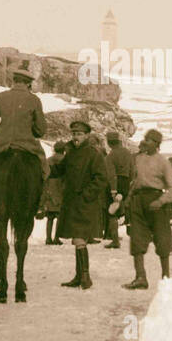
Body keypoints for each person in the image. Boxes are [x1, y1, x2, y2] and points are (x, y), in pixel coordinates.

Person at [0, 67, 47, 220]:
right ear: (28, 83)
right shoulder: (34, 100)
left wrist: (1, 129)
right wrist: (31, 130)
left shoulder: (0, 97)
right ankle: (40, 205)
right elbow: (41, 130)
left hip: (1, 145)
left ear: (13, 80)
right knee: (44, 170)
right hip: (28, 145)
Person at [49, 119, 109, 289]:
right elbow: (61, 170)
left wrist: (86, 195)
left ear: (87, 136)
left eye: (79, 134)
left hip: (85, 203)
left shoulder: (94, 154)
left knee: (79, 238)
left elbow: (101, 178)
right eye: (74, 134)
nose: (76, 137)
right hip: (72, 203)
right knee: (77, 240)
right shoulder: (71, 153)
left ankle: (85, 277)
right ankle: (79, 276)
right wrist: (46, 170)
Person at [122, 128, 172, 289]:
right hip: (138, 203)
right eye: (145, 139)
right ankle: (140, 278)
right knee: (137, 239)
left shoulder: (163, 161)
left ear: (156, 143)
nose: (145, 142)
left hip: (156, 203)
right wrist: (128, 199)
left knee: (162, 240)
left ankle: (166, 278)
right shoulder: (138, 159)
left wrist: (161, 201)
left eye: (149, 140)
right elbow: (135, 181)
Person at [103, 131, 133, 249]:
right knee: (124, 210)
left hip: (115, 184)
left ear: (110, 143)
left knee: (112, 212)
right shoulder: (128, 153)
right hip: (126, 183)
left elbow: (111, 174)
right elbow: (132, 171)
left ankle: (115, 240)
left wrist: (113, 190)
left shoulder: (110, 155)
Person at [40, 140, 68, 244]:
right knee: (59, 215)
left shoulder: (48, 160)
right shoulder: (65, 160)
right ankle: (56, 237)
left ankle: (48, 238)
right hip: (61, 186)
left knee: (50, 216)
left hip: (49, 186)